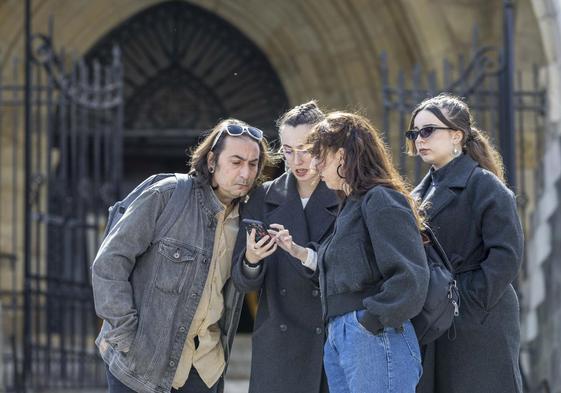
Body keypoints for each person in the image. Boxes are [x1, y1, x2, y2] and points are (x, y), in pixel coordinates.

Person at [91, 119, 272, 393]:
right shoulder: (167, 196)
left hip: (205, 371)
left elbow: (244, 288)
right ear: (212, 161)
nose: (246, 173)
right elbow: (109, 263)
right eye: (236, 162)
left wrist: (252, 262)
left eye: (253, 163)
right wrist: (127, 337)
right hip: (141, 367)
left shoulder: (250, 220)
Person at [273, 112, 430, 393]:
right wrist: (300, 253)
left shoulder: (381, 199)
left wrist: (369, 321)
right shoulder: (351, 205)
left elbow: (411, 277)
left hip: (372, 335)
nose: (316, 165)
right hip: (343, 335)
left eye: (320, 155)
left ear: (342, 156)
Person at [406, 93, 524, 393]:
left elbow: (506, 257)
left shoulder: (485, 186)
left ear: (457, 135)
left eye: (429, 130)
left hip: (477, 323)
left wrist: (465, 301)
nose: (420, 139)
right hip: (436, 320)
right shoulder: (418, 194)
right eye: (415, 132)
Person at [231, 101, 338, 393]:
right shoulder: (263, 198)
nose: (297, 161)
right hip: (279, 345)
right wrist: (251, 260)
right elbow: (242, 282)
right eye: (288, 151)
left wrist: (304, 255)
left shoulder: (345, 197)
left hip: (331, 342)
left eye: (305, 149)